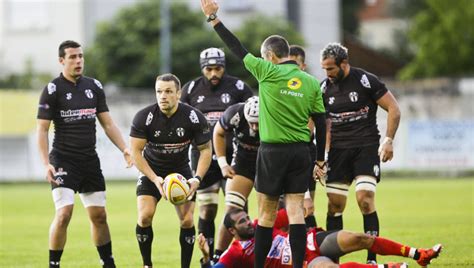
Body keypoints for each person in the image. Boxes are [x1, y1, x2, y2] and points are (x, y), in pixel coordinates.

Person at [200, 1, 328, 267]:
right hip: (302, 152)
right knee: (295, 212)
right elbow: (321, 121)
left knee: (266, 214)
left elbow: (236, 48)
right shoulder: (312, 82)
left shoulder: (267, 72)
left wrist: (213, 18)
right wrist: (320, 159)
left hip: (272, 152)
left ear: (269, 56)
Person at [37, 40, 132, 268]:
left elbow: (108, 124)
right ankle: (54, 264)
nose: (78, 61)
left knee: (99, 216)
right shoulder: (52, 89)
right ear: (62, 61)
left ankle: (108, 263)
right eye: (72, 57)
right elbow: (42, 129)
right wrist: (45, 163)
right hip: (62, 159)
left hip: (89, 160)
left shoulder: (94, 87)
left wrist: (125, 149)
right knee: (64, 214)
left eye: (80, 56)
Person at [319, 43, 402, 264]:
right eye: (324, 69)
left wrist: (388, 140)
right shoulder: (323, 89)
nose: (326, 74)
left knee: (365, 199)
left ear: (344, 64)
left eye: (330, 69)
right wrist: (322, 156)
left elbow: (394, 108)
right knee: (334, 205)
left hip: (365, 147)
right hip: (337, 152)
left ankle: (372, 260)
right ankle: (333, 260)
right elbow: (321, 125)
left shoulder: (366, 81)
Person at [130, 73, 212, 268]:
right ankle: (147, 264)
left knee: (187, 220)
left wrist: (197, 179)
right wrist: (155, 179)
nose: (163, 96)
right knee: (144, 216)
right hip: (151, 170)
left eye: (168, 91)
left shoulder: (193, 117)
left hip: (181, 171)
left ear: (178, 93)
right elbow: (135, 152)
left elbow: (206, 150)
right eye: (159, 91)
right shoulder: (144, 117)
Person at [180, 47, 254, 258]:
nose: (214, 73)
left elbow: (252, 116)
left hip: (235, 159)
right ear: (203, 68)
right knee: (207, 210)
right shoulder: (191, 88)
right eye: (209, 69)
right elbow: (182, 119)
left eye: (218, 68)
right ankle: (209, 257)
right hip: (203, 158)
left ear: (224, 67)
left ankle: (241, 256)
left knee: (237, 211)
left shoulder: (239, 87)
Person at [197, 209, 442, 268]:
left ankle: (417, 254)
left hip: (312, 241)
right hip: (301, 264)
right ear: (232, 231)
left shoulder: (264, 223)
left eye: (248, 218)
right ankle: (386, 267)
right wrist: (206, 257)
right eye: (242, 222)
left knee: (361, 238)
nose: (249, 222)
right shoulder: (235, 253)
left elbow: (293, 211)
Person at [213, 96, 260, 259]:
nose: (254, 127)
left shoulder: (275, 114)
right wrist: (223, 163)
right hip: (243, 161)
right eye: (251, 122)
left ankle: (270, 257)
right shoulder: (235, 113)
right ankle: (218, 257)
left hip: (269, 164)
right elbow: (218, 132)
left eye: (258, 123)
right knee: (232, 212)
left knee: (274, 213)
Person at [288, 44, 319, 229]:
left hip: (304, 150)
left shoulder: (309, 87)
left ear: (303, 66)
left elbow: (309, 129)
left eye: (296, 64)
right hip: (280, 151)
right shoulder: (278, 87)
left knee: (306, 207)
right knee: (287, 208)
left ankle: (311, 250)